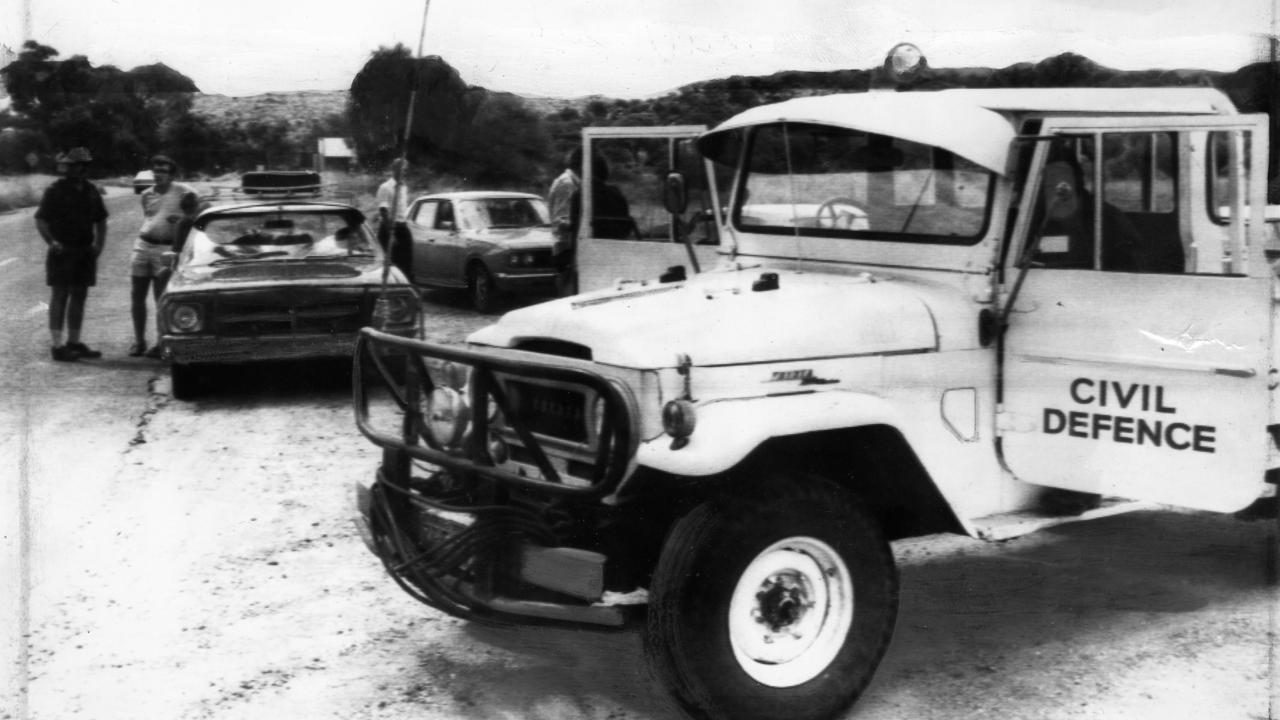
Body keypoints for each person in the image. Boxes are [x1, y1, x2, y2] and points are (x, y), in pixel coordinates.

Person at [35, 147, 109, 362]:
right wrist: (51, 241)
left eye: (76, 165)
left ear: (83, 168)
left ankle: (74, 342)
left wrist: (99, 246)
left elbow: (101, 220)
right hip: (62, 250)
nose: (70, 169)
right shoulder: (55, 190)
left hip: (84, 250)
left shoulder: (91, 190)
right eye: (69, 165)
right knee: (60, 295)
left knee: (79, 295)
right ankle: (57, 346)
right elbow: (40, 220)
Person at [130, 154, 197, 358]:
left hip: (165, 248)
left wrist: (183, 219)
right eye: (156, 171)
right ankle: (139, 341)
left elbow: (197, 215)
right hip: (143, 245)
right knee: (137, 295)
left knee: (161, 297)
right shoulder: (147, 194)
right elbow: (149, 217)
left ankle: (161, 343)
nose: (158, 175)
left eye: (163, 171)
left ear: (172, 174)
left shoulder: (184, 192)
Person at [376, 158, 413, 280]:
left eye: (406, 170)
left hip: (403, 227)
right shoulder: (385, 187)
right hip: (389, 229)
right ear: (394, 170)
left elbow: (402, 210)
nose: (405, 172)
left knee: (406, 262)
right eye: (403, 169)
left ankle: (405, 290)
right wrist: (391, 233)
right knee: (389, 263)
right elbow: (383, 211)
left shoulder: (404, 187)